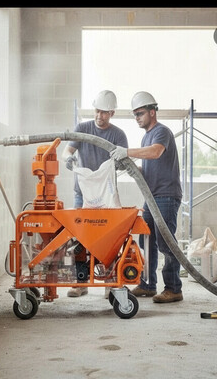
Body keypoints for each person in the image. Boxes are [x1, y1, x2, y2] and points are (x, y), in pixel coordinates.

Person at [110, 91, 183, 303]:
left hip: (166, 196)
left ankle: (174, 288)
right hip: (152, 197)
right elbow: (149, 166)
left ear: (152, 112)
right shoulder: (146, 136)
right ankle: (148, 285)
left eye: (140, 113)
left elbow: (155, 152)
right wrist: (129, 166)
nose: (137, 118)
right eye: (135, 114)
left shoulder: (161, 132)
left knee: (166, 243)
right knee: (146, 239)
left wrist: (127, 152)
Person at [62, 89, 128, 297]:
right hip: (82, 193)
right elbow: (68, 150)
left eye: (105, 112)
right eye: (98, 111)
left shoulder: (118, 135)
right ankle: (80, 283)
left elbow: (124, 161)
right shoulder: (82, 128)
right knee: (81, 238)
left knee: (109, 238)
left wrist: (119, 163)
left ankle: (109, 282)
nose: (100, 116)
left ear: (112, 113)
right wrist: (67, 158)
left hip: (106, 195)